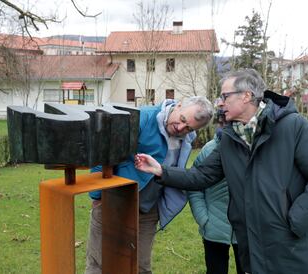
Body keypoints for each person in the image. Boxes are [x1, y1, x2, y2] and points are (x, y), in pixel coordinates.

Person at [135, 68, 308, 274]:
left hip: (291, 246)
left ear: (246, 96)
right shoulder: (229, 138)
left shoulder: (293, 126)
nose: (220, 103)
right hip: (251, 243)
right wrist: (161, 170)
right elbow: (201, 176)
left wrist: (296, 221)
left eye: (225, 96)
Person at [85, 96, 214, 274]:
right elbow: (104, 151)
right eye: (182, 119)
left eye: (188, 128)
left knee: (141, 267)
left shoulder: (186, 138)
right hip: (113, 202)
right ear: (178, 105)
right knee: (100, 264)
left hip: (147, 209)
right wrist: (98, 196)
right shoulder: (143, 118)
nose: (180, 128)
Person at [187, 98, 244, 274]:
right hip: (214, 228)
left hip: (247, 229)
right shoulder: (208, 150)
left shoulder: (251, 148)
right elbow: (194, 184)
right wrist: (204, 219)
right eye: (223, 122)